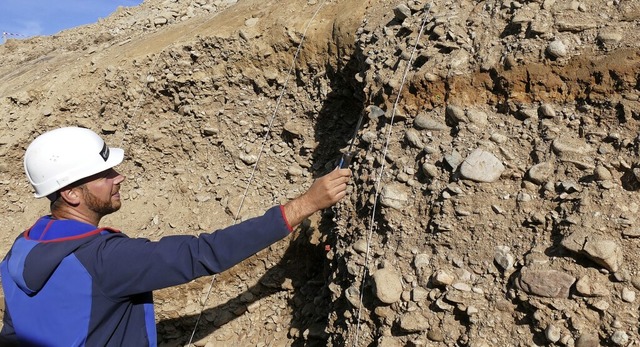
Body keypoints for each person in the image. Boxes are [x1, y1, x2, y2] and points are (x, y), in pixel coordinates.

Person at [0, 126, 351, 346]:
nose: (118, 176)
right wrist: (305, 204)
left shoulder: (21, 248)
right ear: (72, 194)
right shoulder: (103, 259)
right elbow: (204, 253)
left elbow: (14, 332)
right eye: (104, 173)